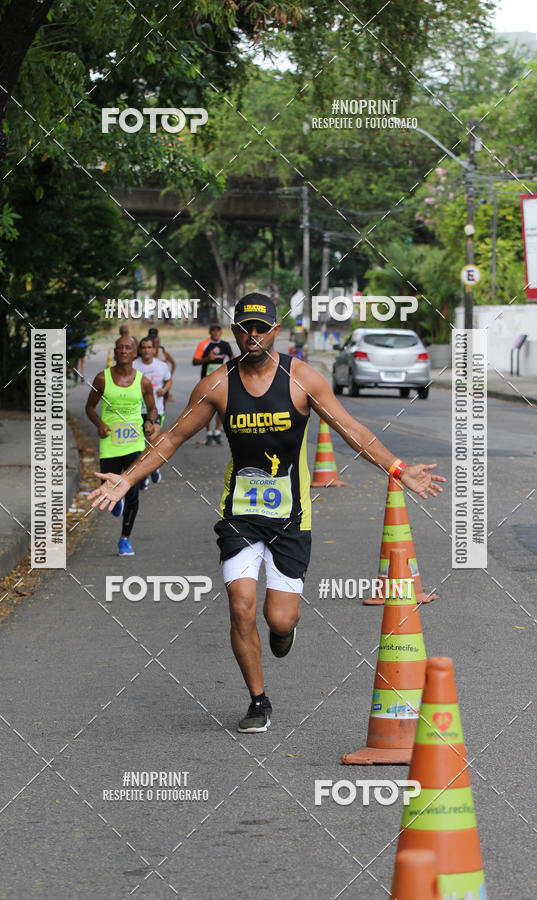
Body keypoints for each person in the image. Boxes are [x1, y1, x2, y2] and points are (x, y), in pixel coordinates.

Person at [89, 293, 445, 731]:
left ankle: (282, 630)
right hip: (238, 514)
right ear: (236, 332)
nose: (253, 335)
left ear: (275, 331)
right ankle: (258, 700)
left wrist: (398, 468)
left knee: (280, 617)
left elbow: (351, 429)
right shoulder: (217, 385)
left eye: (261, 328)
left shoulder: (302, 380)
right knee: (241, 606)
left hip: (291, 517)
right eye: (245, 328)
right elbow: (173, 437)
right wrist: (128, 477)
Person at [85, 335, 159, 556]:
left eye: (128, 347)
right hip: (110, 444)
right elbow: (89, 407)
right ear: (115, 352)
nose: (124, 351)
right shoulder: (102, 379)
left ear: (135, 352)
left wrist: (150, 421)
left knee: (133, 493)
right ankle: (115, 500)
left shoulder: (143, 382)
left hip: (134, 444)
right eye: (120, 348)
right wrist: (99, 424)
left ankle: (124, 539)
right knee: (109, 486)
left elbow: (152, 408)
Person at [133, 336, 172, 489]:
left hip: (156, 410)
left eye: (149, 347)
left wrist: (165, 389)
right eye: (143, 347)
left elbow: (169, 380)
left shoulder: (161, 366)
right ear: (140, 350)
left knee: (151, 441)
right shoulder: (133, 365)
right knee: (140, 445)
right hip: (136, 411)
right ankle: (152, 468)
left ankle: (146, 473)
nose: (146, 350)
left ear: (154, 349)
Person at [192, 322, 234, 445]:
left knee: (221, 406)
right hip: (206, 381)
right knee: (207, 407)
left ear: (221, 332)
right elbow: (195, 361)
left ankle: (216, 431)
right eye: (213, 330)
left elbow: (232, 358)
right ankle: (209, 433)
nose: (216, 332)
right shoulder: (204, 344)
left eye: (218, 330)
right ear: (210, 332)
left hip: (222, 382)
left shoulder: (225, 345)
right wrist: (206, 359)